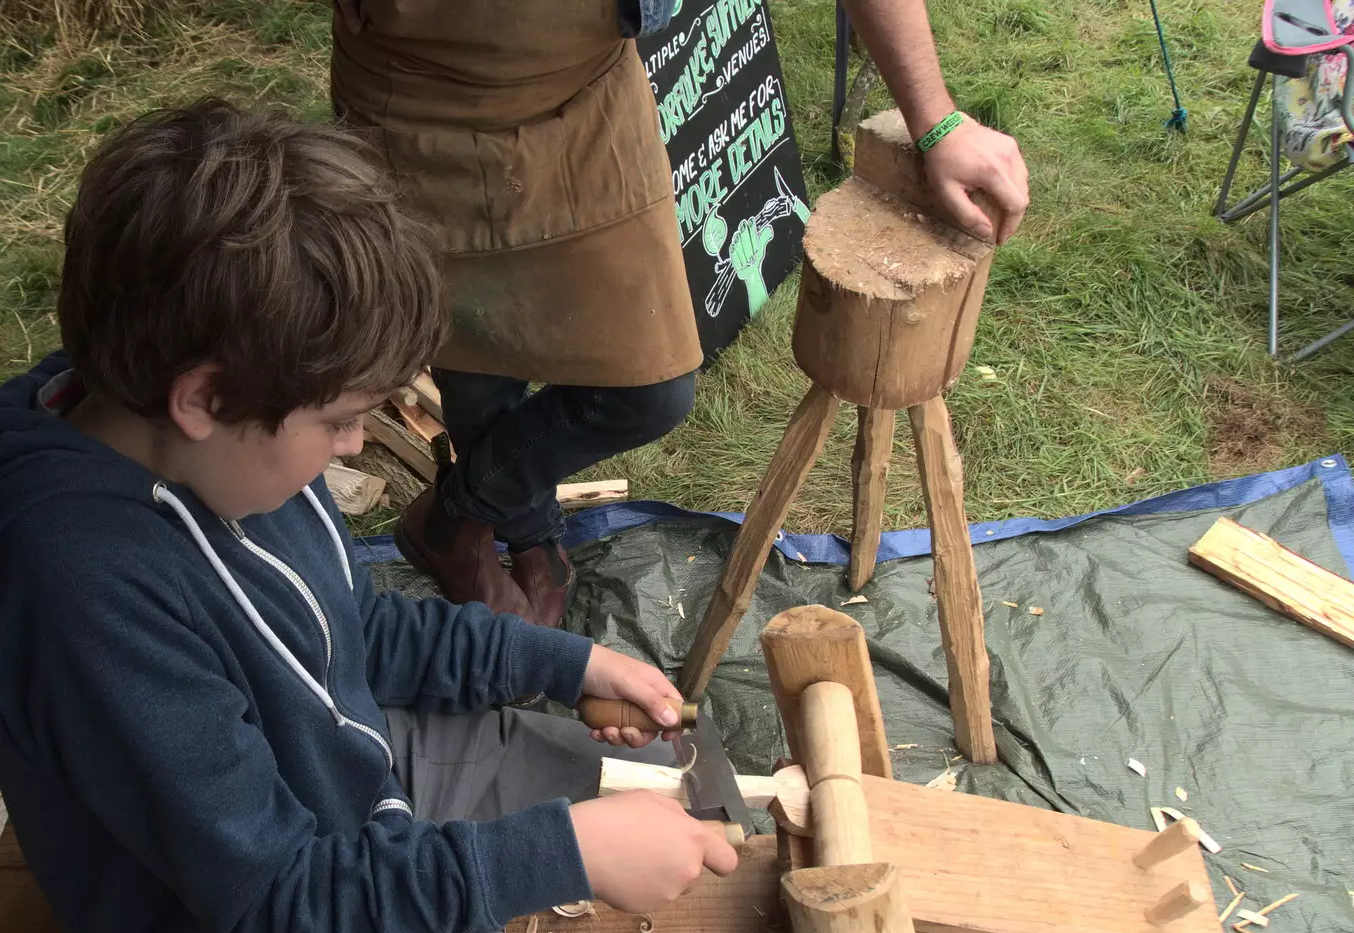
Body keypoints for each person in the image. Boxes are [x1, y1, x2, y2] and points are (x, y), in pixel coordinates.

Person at [0, 101, 952, 933]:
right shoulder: (81, 597)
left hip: (329, 785)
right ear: (204, 398)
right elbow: (278, 905)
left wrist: (557, 668)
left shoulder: (197, 442)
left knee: (669, 781)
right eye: (341, 426)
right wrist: (558, 856)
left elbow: (341, 626)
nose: (348, 455)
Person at [329, 0, 1029, 628]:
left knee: (649, 390)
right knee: (481, 366)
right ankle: (525, 526)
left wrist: (933, 119)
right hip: (427, 102)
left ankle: (458, 516)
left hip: (585, 100)